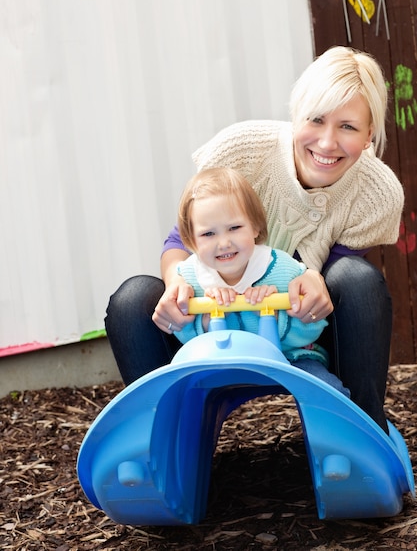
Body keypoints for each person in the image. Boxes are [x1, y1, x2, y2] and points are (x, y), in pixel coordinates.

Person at [105, 46, 404, 433]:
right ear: (296, 116)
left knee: (357, 278)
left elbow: (338, 271)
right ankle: (156, 434)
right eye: (316, 119)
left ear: (368, 136)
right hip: (208, 329)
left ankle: (363, 427)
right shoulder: (245, 151)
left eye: (348, 126)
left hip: (299, 331)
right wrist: (177, 281)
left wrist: (314, 278)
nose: (328, 143)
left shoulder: (375, 193)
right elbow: (182, 237)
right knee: (132, 299)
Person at [175, 165, 350, 396]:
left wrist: (276, 314)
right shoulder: (190, 279)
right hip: (214, 366)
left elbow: (315, 325)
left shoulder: (281, 270)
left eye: (234, 228)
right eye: (208, 234)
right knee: (181, 394)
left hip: (290, 359)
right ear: (191, 240)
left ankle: (334, 429)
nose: (224, 242)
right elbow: (179, 329)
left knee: (328, 391)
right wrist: (207, 320)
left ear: (255, 226)